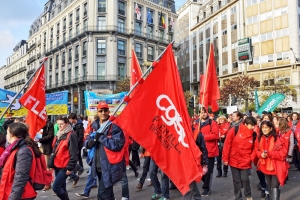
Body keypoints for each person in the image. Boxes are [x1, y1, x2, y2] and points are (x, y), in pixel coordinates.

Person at [85, 102, 125, 200]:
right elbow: (86, 141)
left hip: (109, 167)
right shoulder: (94, 126)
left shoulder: (114, 126)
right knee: (108, 194)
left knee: (102, 195)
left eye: (105, 110)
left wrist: (102, 138)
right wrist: (89, 143)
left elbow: (118, 145)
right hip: (97, 166)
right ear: (97, 112)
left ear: (108, 111)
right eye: (101, 111)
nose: (103, 113)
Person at [0, 122, 41, 200]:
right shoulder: (13, 148)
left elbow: (21, 177)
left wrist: (13, 198)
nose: (6, 135)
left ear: (12, 134)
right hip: (12, 191)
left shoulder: (23, 150)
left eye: (7, 133)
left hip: (21, 194)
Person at [222, 117, 257, 200]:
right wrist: (225, 159)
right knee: (236, 180)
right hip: (234, 159)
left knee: (245, 179)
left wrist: (251, 158)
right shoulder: (234, 130)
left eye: (254, 125)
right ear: (245, 124)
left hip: (246, 160)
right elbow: (227, 144)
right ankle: (238, 197)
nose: (253, 127)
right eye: (251, 125)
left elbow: (256, 148)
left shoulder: (254, 134)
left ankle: (248, 195)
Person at [256, 121, 288, 200]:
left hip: (276, 166)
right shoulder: (260, 138)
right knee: (270, 186)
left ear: (270, 128)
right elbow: (256, 150)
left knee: (274, 186)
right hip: (265, 166)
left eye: (266, 127)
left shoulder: (277, 138)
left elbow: (283, 153)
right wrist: (261, 154)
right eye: (263, 128)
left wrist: (270, 154)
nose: (264, 129)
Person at [51, 116, 78, 200]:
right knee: (62, 187)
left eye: (61, 124)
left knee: (56, 187)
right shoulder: (59, 133)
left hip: (65, 165)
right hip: (57, 164)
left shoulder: (71, 135)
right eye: (58, 124)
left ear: (66, 123)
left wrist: (70, 167)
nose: (60, 126)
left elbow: (74, 153)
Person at [194, 107, 219, 196]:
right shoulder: (196, 123)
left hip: (210, 151)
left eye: (205, 112)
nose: (203, 114)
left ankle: (206, 188)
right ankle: (206, 183)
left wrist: (202, 137)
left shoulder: (212, 123)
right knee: (200, 170)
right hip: (199, 151)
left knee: (208, 171)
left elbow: (215, 135)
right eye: (201, 112)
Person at [183, 128, 208, 200]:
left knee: (188, 183)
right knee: (191, 182)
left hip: (193, 163)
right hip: (184, 162)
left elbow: (204, 149)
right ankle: (197, 197)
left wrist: (204, 164)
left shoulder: (197, 134)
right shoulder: (179, 130)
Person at [36, 116, 54, 191]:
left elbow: (50, 136)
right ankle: (44, 182)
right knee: (42, 166)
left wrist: (40, 139)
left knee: (47, 166)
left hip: (46, 147)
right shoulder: (38, 124)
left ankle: (48, 183)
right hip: (39, 147)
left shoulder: (49, 125)